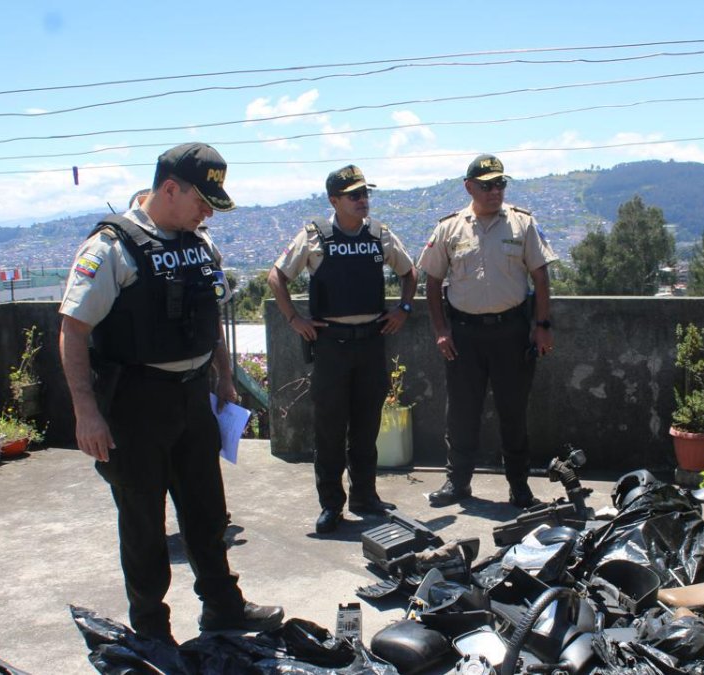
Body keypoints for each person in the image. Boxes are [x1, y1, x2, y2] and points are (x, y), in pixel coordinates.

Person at [58, 143, 283, 644]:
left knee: (208, 512)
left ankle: (223, 608)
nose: (208, 213)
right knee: (143, 523)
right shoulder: (112, 247)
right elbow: (73, 330)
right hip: (135, 404)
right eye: (202, 201)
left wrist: (224, 377)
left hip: (193, 397)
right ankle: (152, 631)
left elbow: (209, 318)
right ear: (169, 189)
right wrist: (86, 412)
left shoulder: (199, 244)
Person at [268, 164, 418, 534]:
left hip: (371, 342)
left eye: (365, 193)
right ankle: (331, 505)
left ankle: (365, 496)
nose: (363, 200)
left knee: (366, 427)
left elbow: (410, 272)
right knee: (330, 430)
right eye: (354, 195)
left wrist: (403, 308)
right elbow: (277, 277)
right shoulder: (314, 237)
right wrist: (294, 319)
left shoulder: (379, 234)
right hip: (331, 346)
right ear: (334, 200)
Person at [416, 154, 559, 509]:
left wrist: (542, 326)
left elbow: (540, 277)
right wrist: (441, 329)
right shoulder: (449, 228)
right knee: (461, 413)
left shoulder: (522, 223)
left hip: (512, 332)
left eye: (500, 184)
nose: (495, 191)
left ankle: (519, 487)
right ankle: (458, 483)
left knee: (513, 412)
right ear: (469, 187)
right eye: (487, 185)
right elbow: (432, 282)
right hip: (464, 335)